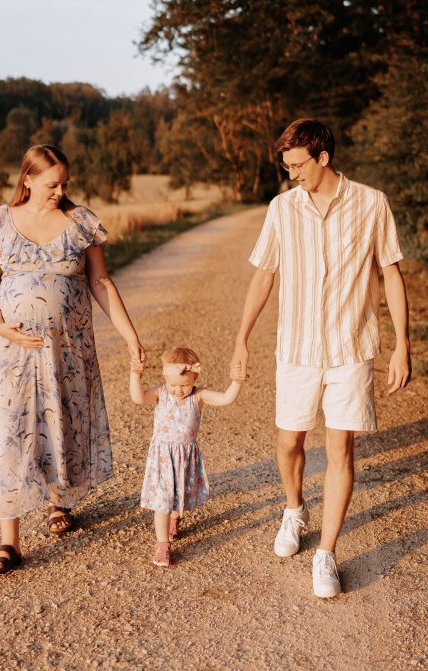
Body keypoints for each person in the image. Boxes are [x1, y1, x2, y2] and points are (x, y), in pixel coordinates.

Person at [231, 118, 411, 598]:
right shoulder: (282, 209)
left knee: (340, 450)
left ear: (322, 158)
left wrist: (403, 344)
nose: (292, 174)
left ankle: (327, 553)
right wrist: (242, 340)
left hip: (352, 348)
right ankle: (294, 508)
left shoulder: (372, 204)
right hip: (297, 349)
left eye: (297, 165)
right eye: (286, 166)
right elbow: (264, 276)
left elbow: (391, 274)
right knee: (290, 442)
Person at [0, 143, 145, 576]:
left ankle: (59, 502)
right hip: (13, 353)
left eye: (65, 183)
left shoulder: (79, 222)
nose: (60, 190)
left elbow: (101, 282)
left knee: (62, 422)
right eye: (52, 184)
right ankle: (9, 541)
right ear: (27, 179)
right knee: (11, 432)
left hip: (69, 349)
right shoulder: (1, 222)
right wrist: (0, 324)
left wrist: (129, 336)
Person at [131, 346, 243, 567]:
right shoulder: (160, 393)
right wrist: (136, 374)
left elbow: (226, 399)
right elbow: (137, 398)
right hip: (162, 457)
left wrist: (237, 381)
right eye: (173, 384)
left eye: (184, 385)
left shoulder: (199, 396)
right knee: (162, 501)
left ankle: (175, 518)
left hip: (184, 456)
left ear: (195, 376)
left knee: (178, 494)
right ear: (165, 378)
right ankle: (162, 545)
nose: (178, 390)